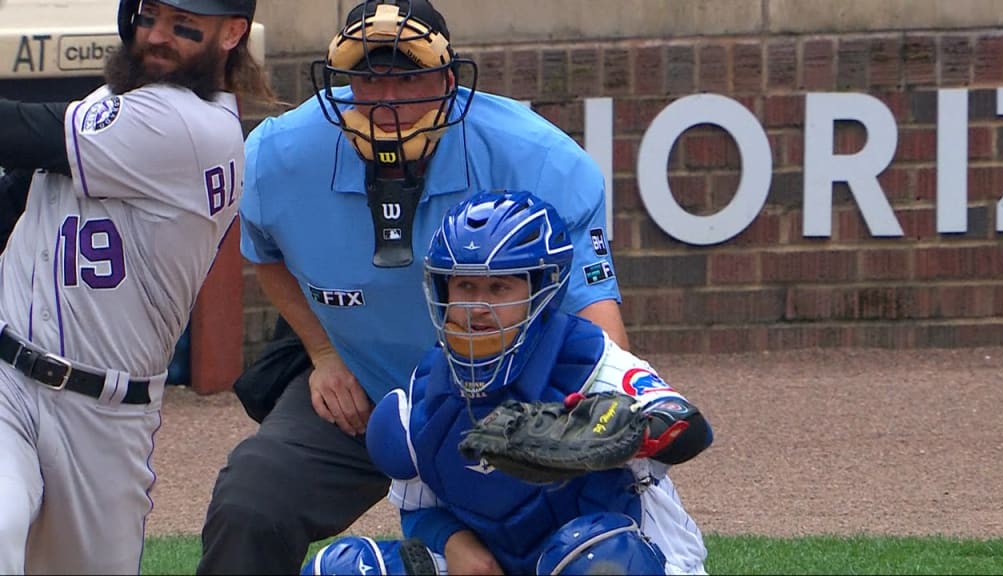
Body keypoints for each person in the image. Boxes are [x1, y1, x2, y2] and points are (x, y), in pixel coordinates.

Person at [198, 0, 630, 573]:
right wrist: (322, 353)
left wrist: (602, 421)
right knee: (251, 501)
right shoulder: (278, 158)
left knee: (583, 549)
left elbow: (600, 331)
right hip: (369, 390)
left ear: (449, 83)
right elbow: (263, 250)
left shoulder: (538, 158)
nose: (387, 102)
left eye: (408, 78)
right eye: (368, 81)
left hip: (509, 406)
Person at [303, 190, 714, 576]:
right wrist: (453, 542)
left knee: (597, 557)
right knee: (342, 567)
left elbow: (687, 426)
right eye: (465, 286)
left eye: (499, 287)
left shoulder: (588, 362)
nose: (477, 307)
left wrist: (613, 432)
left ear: (542, 290)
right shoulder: (423, 397)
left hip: (641, 557)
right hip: (501, 563)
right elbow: (418, 510)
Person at [0, 0, 273, 572]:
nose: (157, 37)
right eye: (149, 17)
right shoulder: (117, 100)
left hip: (104, 417)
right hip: (8, 386)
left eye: (183, 25)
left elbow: (19, 133)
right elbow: (26, 190)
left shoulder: (195, 129)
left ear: (233, 33)